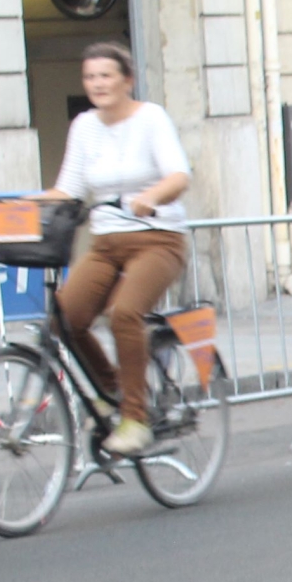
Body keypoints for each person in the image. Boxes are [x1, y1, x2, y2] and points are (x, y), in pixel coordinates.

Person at [40, 41, 192, 458]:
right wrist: (23, 205)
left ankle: (135, 419)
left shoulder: (151, 119)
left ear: (127, 79)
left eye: (106, 75)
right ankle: (109, 391)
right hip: (106, 243)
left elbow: (180, 175)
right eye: (90, 77)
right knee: (65, 318)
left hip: (157, 238)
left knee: (124, 313)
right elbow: (68, 189)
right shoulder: (84, 126)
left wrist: (153, 196)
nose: (97, 84)